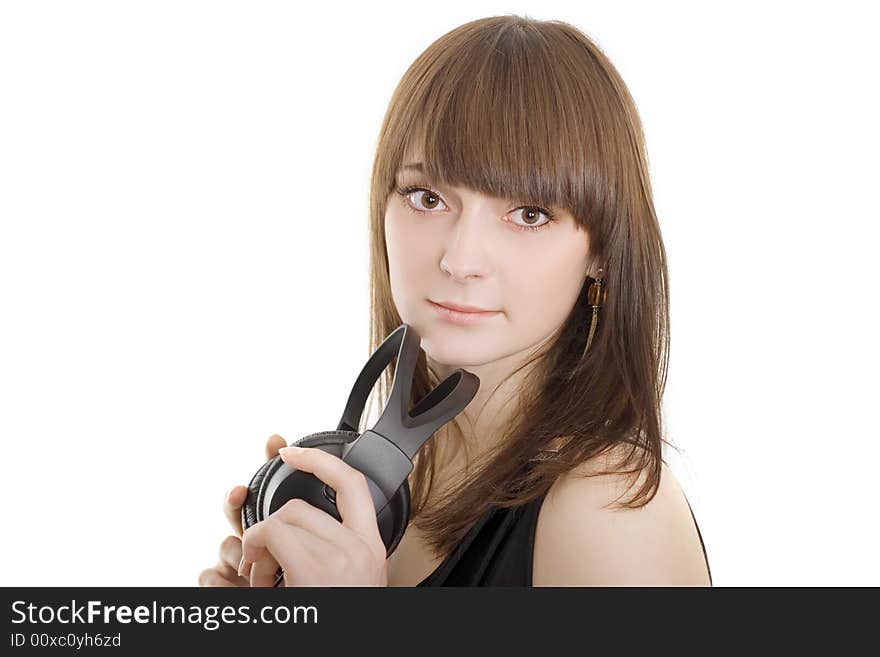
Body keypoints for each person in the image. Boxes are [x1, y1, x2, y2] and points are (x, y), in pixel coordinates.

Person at [198, 14, 713, 587]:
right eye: (427, 197)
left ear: (602, 252)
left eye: (529, 214)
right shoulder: (385, 488)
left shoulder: (609, 508)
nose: (460, 260)